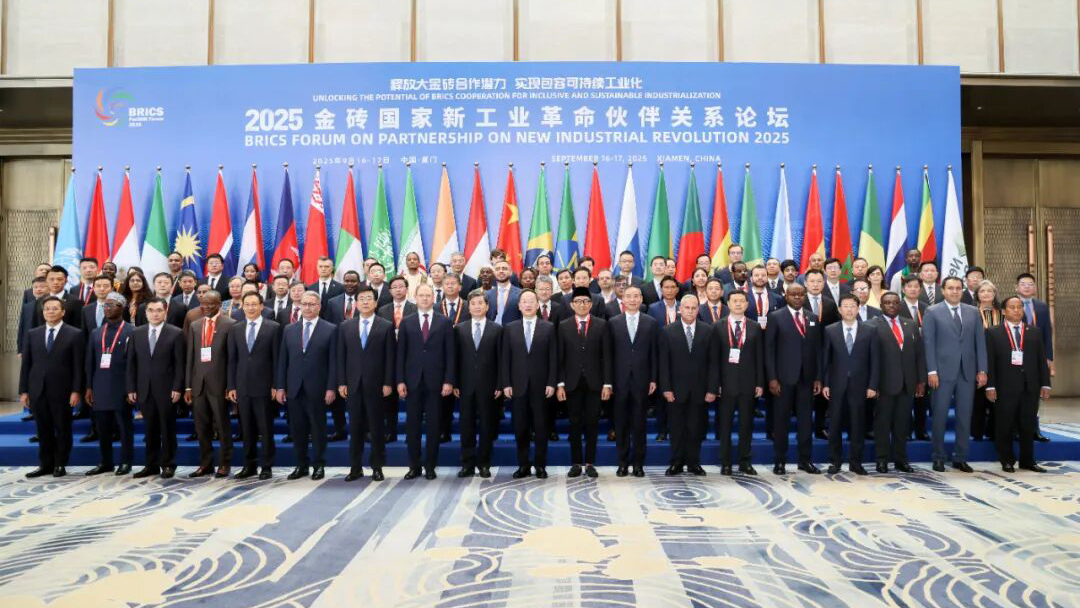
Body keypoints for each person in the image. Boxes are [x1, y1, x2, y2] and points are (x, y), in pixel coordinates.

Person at [923, 276, 987, 472]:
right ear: (943, 290)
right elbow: (928, 343)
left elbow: (979, 342)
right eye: (950, 288)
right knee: (940, 416)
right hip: (941, 373)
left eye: (958, 288)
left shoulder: (973, 311)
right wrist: (931, 370)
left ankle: (960, 457)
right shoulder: (932, 311)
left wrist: (982, 369)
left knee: (964, 417)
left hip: (967, 372)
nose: (955, 291)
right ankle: (938, 457)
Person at [985, 296, 1051, 473]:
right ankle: (1006, 460)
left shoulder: (1034, 331)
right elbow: (990, 361)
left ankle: (1027, 460)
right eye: (1012, 307)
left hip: (1030, 386)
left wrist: (1045, 384)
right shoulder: (993, 332)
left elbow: (1041, 360)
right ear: (1004, 311)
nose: (1016, 310)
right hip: (1004, 387)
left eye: (1019, 307)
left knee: (1028, 425)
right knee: (1005, 424)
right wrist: (990, 386)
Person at [396, 284, 456, 480]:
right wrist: (400, 380)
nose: (424, 298)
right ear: (415, 297)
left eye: (428, 295)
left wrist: (449, 380)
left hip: (436, 382)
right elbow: (400, 354)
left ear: (433, 298)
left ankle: (430, 466)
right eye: (421, 295)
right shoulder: (406, 322)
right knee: (412, 426)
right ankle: (414, 466)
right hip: (412, 382)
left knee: (433, 426)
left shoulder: (444, 322)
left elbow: (450, 354)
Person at [20, 296, 84, 478]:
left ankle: (60, 463)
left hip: (63, 391)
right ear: (43, 312)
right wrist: (23, 391)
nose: (50, 312)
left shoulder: (75, 334)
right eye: (47, 308)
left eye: (55, 308)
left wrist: (76, 390)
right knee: (42, 429)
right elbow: (26, 365)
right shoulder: (33, 334)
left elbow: (78, 366)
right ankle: (45, 464)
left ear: (63, 312)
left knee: (63, 428)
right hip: (37, 389)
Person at [276, 291, 337, 480]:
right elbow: (283, 361)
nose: (308, 308)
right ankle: (301, 465)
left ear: (319, 307)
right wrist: (280, 386)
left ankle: (319, 465)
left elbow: (334, 362)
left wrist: (331, 387)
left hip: (318, 388)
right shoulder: (289, 329)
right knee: (297, 429)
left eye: (312, 304)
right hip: (294, 388)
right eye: (304, 304)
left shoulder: (331, 329)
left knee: (318, 429)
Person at [338, 285, 395, 482]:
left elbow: (390, 357)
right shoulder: (345, 326)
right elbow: (341, 357)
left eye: (369, 298)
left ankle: (377, 467)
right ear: (355, 303)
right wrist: (341, 382)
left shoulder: (386, 325)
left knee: (377, 428)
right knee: (355, 428)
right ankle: (355, 468)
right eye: (361, 298)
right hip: (352, 385)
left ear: (375, 302)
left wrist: (388, 382)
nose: (365, 302)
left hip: (377, 385)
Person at [765, 284, 822, 475]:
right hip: (783, 379)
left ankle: (805, 460)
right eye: (793, 294)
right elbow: (769, 350)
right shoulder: (775, 317)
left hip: (807, 379)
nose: (797, 297)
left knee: (806, 423)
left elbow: (817, 350)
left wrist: (818, 378)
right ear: (786, 296)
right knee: (781, 422)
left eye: (800, 294)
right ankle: (780, 461)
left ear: (805, 296)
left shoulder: (812, 317)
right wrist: (772, 378)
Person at [500, 289, 557, 479]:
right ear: (519, 306)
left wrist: (551, 382)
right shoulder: (510, 328)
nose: (528, 304)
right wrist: (506, 383)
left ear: (538, 304)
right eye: (524, 301)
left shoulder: (548, 327)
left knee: (541, 427)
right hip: (517, 386)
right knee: (520, 428)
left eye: (532, 301)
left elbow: (553, 358)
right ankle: (523, 465)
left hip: (542, 386)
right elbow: (505, 359)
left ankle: (540, 465)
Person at [556, 287, 612, 478]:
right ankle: (576, 463)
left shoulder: (602, 325)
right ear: (572, 305)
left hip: (595, 383)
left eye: (586, 301)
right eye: (578, 301)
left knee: (592, 423)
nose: (582, 304)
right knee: (574, 423)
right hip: (571, 383)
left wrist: (607, 384)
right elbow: (560, 358)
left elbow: (607, 356)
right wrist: (560, 384)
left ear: (591, 304)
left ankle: (589, 463)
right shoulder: (563, 326)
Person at [659, 294, 717, 476]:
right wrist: (666, 388)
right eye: (687, 307)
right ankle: (676, 463)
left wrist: (712, 389)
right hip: (675, 390)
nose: (690, 311)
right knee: (676, 428)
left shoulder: (708, 331)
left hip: (700, 390)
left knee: (696, 428)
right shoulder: (667, 331)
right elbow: (663, 363)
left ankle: (694, 463)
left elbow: (713, 363)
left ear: (698, 310)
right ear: (680, 309)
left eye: (693, 308)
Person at [820, 294, 878, 475]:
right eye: (845, 306)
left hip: (860, 385)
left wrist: (872, 385)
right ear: (839, 309)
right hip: (836, 385)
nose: (849, 309)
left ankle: (856, 462)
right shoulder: (830, 330)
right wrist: (826, 383)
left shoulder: (869, 330)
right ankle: (835, 461)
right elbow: (826, 360)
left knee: (858, 424)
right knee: (835, 424)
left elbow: (875, 361)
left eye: (852, 306)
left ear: (858, 308)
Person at [126, 297, 184, 479]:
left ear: (165, 312)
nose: (155, 314)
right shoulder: (137, 333)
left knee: (167, 429)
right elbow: (131, 363)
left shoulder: (176, 333)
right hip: (144, 389)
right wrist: (131, 388)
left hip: (167, 389)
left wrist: (177, 387)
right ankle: (151, 464)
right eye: (151, 310)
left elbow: (179, 364)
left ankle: (168, 464)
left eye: (159, 310)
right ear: (146, 313)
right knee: (149, 429)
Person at [869, 292, 925, 473]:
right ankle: (882, 460)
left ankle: (901, 460)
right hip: (884, 384)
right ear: (881, 306)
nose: (891, 305)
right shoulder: (872, 325)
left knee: (902, 424)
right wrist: (873, 385)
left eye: (895, 303)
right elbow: (870, 358)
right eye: (887, 303)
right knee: (883, 424)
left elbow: (919, 354)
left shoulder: (911, 324)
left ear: (899, 305)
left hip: (908, 383)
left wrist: (921, 380)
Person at [226, 292, 280, 480]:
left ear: (261, 306)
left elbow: (277, 360)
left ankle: (267, 466)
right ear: (242, 306)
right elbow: (232, 360)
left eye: (254, 304)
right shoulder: (235, 328)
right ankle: (249, 465)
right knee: (246, 429)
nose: (250, 308)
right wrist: (231, 386)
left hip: (265, 387)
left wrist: (276, 384)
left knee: (265, 429)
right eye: (247, 304)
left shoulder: (273, 327)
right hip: (242, 387)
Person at [83, 292, 135, 476]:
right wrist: (89, 387)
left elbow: (134, 364)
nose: (107, 308)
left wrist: (131, 388)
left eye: (111, 305)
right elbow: (89, 362)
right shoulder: (96, 332)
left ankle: (126, 462)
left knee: (124, 428)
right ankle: (105, 462)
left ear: (122, 308)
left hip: (122, 387)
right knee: (102, 428)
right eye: (105, 305)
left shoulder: (132, 331)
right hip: (100, 386)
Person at [184, 290, 235, 478]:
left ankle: (225, 464)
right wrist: (188, 386)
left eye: (210, 304)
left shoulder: (230, 324)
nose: (206, 307)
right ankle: (205, 464)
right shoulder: (195, 325)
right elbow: (190, 357)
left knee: (222, 426)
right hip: (198, 385)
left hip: (220, 384)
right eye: (203, 304)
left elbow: (232, 359)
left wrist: (230, 385)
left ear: (219, 304)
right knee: (201, 427)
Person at [608, 285, 657, 477]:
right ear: (623, 299)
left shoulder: (651, 323)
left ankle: (638, 464)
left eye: (636, 296)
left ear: (641, 299)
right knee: (620, 423)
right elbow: (609, 355)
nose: (633, 300)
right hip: (619, 381)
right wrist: (608, 381)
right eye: (629, 296)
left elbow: (654, 353)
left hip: (642, 380)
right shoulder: (613, 322)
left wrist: (653, 378)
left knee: (639, 424)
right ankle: (622, 462)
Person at [713, 291, 763, 475]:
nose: (738, 304)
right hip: (725, 384)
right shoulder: (717, 326)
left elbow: (760, 357)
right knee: (724, 425)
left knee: (746, 424)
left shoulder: (755, 327)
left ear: (747, 304)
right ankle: (725, 462)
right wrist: (715, 383)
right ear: (728, 303)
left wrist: (759, 383)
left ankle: (745, 461)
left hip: (748, 383)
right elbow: (714, 359)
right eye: (735, 301)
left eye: (742, 301)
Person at [454, 290, 502, 479]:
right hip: (465, 385)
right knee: (466, 425)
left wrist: (500, 384)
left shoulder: (497, 329)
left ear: (487, 306)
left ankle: (484, 464)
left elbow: (501, 359)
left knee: (486, 426)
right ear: (468, 307)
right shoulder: (459, 329)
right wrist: (455, 382)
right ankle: (467, 463)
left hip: (489, 385)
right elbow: (455, 359)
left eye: (480, 303)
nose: (477, 307)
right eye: (473, 304)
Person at [1016, 272, 1054, 442]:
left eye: (1030, 284)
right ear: (1017, 287)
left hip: (1037, 357)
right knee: (1017, 393)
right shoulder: (1012, 304)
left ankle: (1034, 429)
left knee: (1034, 394)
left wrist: (1048, 356)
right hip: (1017, 354)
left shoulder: (1042, 307)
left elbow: (1047, 333)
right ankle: (1017, 429)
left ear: (1035, 288)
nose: (1027, 287)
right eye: (1023, 284)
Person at [972, 279, 1001, 442]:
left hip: (999, 360)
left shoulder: (1003, 313)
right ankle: (977, 432)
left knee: (998, 398)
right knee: (979, 398)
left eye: (989, 291)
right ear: (977, 295)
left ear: (994, 294)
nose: (986, 294)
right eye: (982, 291)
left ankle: (993, 431)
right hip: (977, 359)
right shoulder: (971, 313)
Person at [487, 260, 522, 325]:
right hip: (492, 330)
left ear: (511, 272)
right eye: (497, 269)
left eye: (504, 268)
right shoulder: (486, 294)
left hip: (512, 330)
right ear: (494, 273)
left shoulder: (521, 293)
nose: (501, 271)